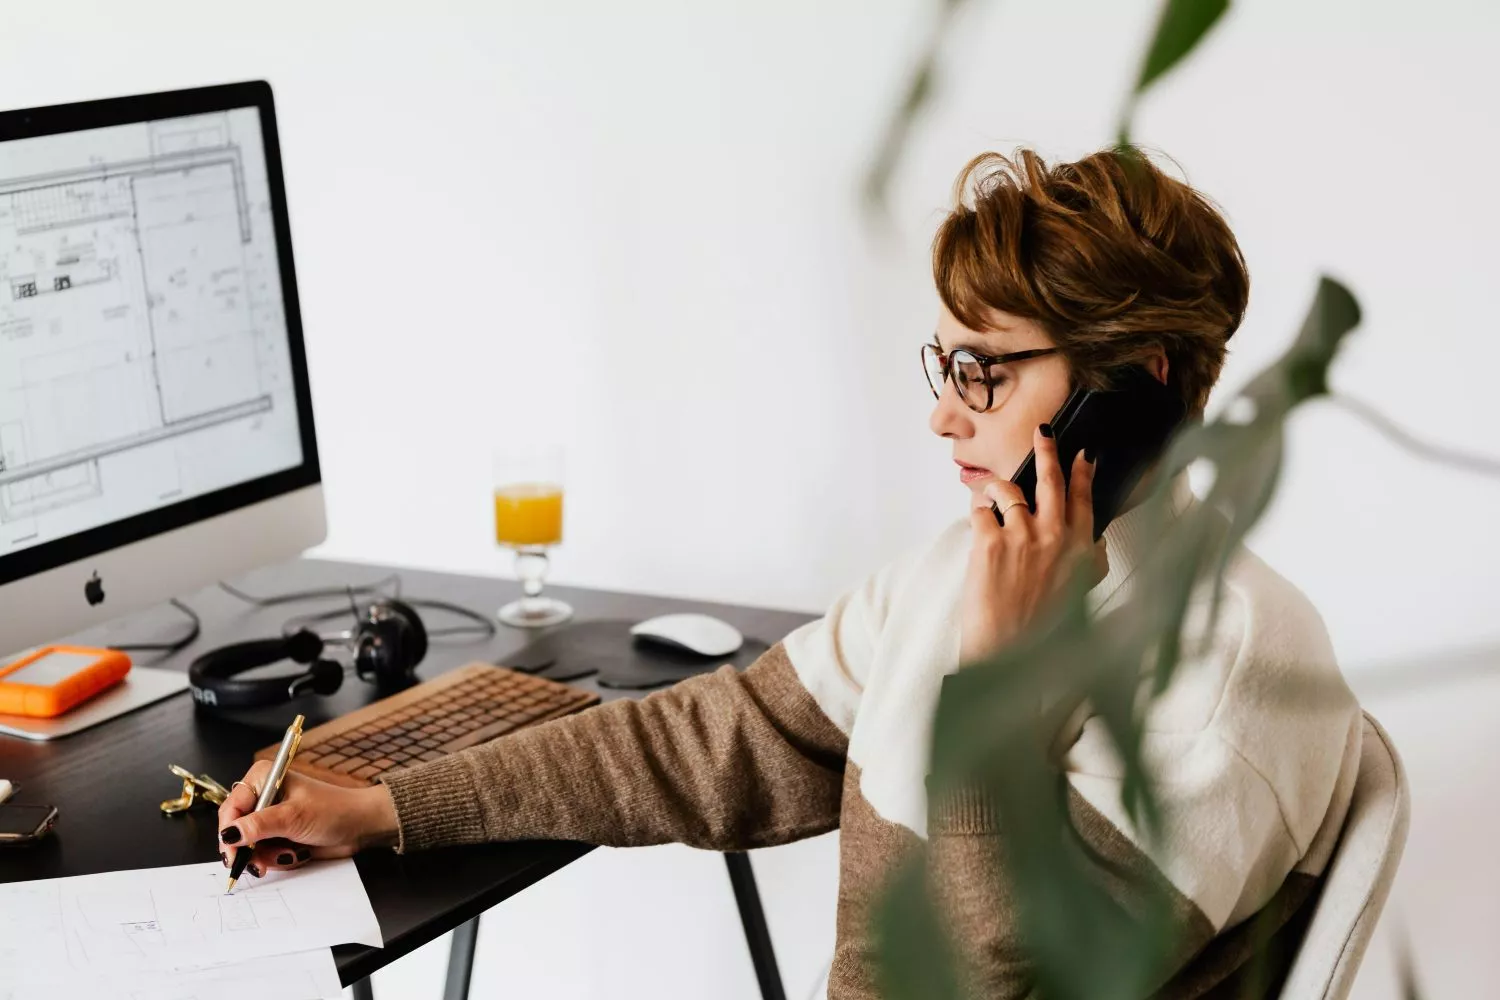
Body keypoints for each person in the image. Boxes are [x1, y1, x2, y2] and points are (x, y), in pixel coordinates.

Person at [217, 147, 1361, 998]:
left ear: (1137, 385)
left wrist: (995, 700)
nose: (939, 415)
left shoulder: (1230, 678)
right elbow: (718, 742)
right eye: (946, 365)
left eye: (984, 374)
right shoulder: (969, 566)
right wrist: (391, 806)